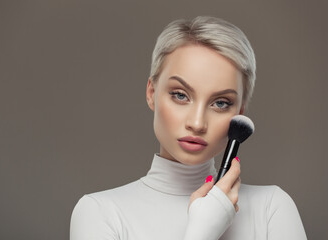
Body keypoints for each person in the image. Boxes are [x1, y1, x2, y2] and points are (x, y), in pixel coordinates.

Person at [70, 16, 307, 240]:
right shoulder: (99, 212)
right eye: (180, 95)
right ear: (151, 93)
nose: (197, 123)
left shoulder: (271, 208)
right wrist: (202, 231)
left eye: (221, 103)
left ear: (239, 114)